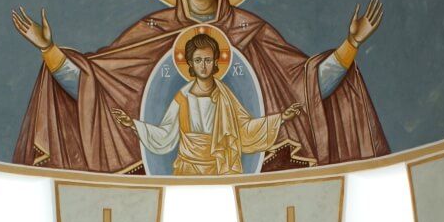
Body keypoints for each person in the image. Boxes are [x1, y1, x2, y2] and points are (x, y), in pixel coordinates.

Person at [11, 0, 389, 173]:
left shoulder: (253, 31)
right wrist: (49, 50)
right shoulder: (151, 30)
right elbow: (96, 84)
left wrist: (350, 44)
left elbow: (305, 85)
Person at [112, 32, 302, 176]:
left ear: (215, 62)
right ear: (190, 64)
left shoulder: (225, 96)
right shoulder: (182, 97)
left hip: (218, 167)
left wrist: (281, 118)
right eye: (198, 60)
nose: (203, 65)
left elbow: (243, 129)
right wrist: (133, 124)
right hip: (187, 169)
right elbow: (165, 134)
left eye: (208, 60)